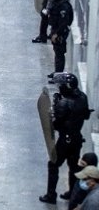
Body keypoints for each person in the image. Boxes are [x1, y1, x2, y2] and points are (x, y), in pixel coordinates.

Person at [39, 73, 91, 204]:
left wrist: (55, 108)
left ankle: (51, 195)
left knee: (53, 165)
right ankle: (72, 193)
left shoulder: (64, 103)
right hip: (77, 139)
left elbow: (55, 124)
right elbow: (86, 116)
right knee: (73, 167)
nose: (59, 88)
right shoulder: (83, 98)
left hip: (65, 140)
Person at [46, 0, 73, 76]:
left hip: (60, 31)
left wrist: (57, 34)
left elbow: (64, 23)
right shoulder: (57, 3)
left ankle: (59, 74)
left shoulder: (63, 7)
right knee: (57, 52)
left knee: (59, 54)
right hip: (56, 29)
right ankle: (57, 72)